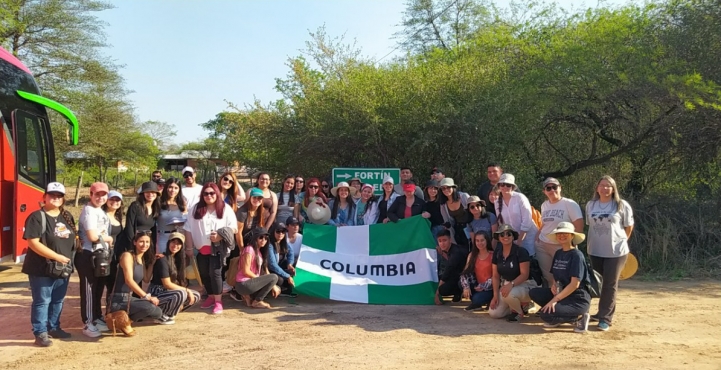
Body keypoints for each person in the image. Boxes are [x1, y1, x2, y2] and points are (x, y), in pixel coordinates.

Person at [22, 182, 76, 346]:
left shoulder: (67, 216)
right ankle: (40, 333)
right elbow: (33, 243)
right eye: (52, 195)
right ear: (44, 196)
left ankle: (54, 327)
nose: (55, 198)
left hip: (62, 268)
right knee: (42, 301)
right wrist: (56, 257)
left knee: (58, 300)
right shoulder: (37, 217)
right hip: (42, 268)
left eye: (59, 195)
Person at [586, 175, 634, 331]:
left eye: (608, 186)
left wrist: (622, 240)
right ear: (597, 188)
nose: (605, 188)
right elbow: (590, 225)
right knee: (598, 283)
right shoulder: (591, 205)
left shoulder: (621, 205)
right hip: (595, 250)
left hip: (616, 251)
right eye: (602, 185)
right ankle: (600, 312)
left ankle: (605, 318)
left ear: (613, 189)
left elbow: (629, 226)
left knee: (610, 284)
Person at [184, 182, 238, 315]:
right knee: (204, 274)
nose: (209, 196)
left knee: (215, 274)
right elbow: (188, 228)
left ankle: (219, 301)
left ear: (217, 194)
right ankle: (211, 296)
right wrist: (189, 247)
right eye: (206, 193)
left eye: (212, 193)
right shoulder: (196, 208)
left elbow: (234, 228)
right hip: (201, 249)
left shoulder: (225, 208)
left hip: (218, 249)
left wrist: (220, 235)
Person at [529, 222, 591, 333]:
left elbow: (574, 284)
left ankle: (578, 319)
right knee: (534, 293)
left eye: (565, 233)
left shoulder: (576, 255)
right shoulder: (558, 253)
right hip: (562, 294)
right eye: (559, 233)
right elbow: (555, 275)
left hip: (577, 299)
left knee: (545, 315)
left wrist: (554, 300)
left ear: (572, 236)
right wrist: (554, 284)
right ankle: (559, 314)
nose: (561, 236)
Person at [108, 231, 169, 330]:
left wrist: (152, 263)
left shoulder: (141, 259)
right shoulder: (127, 256)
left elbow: (146, 279)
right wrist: (146, 296)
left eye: (147, 242)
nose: (144, 245)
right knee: (150, 307)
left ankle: (125, 321)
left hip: (130, 298)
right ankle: (121, 321)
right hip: (119, 300)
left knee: (157, 312)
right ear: (134, 242)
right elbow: (129, 280)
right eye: (141, 241)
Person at [76, 182, 114, 338]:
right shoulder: (89, 211)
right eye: (97, 194)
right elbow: (92, 236)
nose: (100, 197)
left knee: (98, 289)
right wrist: (109, 239)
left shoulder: (100, 211)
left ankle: (97, 318)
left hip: (99, 255)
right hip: (88, 255)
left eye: (103, 194)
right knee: (89, 290)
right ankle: (88, 322)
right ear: (90, 194)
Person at [535, 177, 584, 286]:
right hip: (543, 245)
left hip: (562, 246)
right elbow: (545, 223)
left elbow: (579, 225)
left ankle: (565, 300)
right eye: (548, 188)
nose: (552, 190)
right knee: (548, 276)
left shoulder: (569, 204)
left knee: (565, 276)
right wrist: (537, 236)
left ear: (560, 188)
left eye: (554, 187)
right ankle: (551, 301)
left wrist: (572, 244)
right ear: (544, 191)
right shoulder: (544, 205)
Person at [489, 224, 539, 322]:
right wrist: (495, 296)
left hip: (526, 285)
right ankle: (519, 305)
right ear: (498, 237)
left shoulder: (521, 251)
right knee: (494, 313)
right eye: (502, 234)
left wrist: (511, 285)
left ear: (513, 237)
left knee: (509, 294)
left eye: (509, 234)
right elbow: (495, 276)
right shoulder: (497, 253)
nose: (505, 236)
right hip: (507, 285)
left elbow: (524, 275)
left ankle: (518, 312)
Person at [147, 232, 200, 320]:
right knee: (181, 293)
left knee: (196, 295)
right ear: (168, 243)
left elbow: (180, 282)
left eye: (179, 243)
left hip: (171, 291)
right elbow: (167, 284)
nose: (175, 245)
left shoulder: (179, 260)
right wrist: (187, 291)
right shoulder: (162, 259)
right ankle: (162, 315)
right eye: (173, 242)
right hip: (158, 291)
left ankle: (169, 311)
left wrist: (183, 298)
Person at [234, 227, 281, 308]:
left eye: (266, 238)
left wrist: (273, 285)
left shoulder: (259, 251)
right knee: (274, 277)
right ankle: (257, 301)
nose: (264, 240)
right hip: (243, 284)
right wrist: (259, 279)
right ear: (255, 238)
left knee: (277, 285)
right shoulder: (249, 249)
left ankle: (248, 297)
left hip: (248, 283)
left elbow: (266, 271)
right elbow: (246, 271)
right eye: (261, 237)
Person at [495, 173, 537, 256]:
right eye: (502, 184)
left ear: (513, 187)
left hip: (528, 239)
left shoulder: (520, 198)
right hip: (511, 240)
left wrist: (519, 241)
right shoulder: (496, 202)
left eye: (508, 185)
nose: (505, 187)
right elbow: (502, 224)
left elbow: (527, 220)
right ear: (499, 186)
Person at [116, 181, 160, 257]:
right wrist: (133, 244)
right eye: (147, 192)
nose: (150, 194)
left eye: (153, 192)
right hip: (134, 243)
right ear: (143, 193)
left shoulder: (156, 209)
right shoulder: (135, 206)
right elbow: (129, 227)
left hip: (146, 245)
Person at [460, 232, 494, 312]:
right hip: (476, 285)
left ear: (487, 241)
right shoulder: (472, 255)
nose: (480, 243)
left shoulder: (493, 255)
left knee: (477, 299)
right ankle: (477, 302)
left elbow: (496, 276)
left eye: (482, 240)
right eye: (477, 241)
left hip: (490, 287)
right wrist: (466, 287)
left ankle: (481, 301)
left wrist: (483, 286)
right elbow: (465, 273)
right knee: (460, 284)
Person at [435, 229, 468, 304]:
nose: (442, 244)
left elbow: (448, 271)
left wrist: (437, 294)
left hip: (466, 278)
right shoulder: (452, 249)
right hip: (459, 274)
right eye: (440, 241)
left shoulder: (456, 252)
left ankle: (459, 291)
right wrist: (442, 254)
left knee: (442, 289)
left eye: (444, 240)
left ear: (450, 240)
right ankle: (457, 293)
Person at [102, 190, 124, 294]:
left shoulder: (117, 218)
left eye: (118, 199)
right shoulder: (102, 216)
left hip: (114, 257)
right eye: (112, 199)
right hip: (104, 256)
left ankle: (110, 309)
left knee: (112, 286)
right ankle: (95, 310)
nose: (115, 201)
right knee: (99, 287)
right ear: (106, 200)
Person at [157, 177, 187, 255]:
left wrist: (181, 223)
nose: (173, 190)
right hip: (162, 237)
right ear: (166, 187)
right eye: (170, 187)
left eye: (176, 188)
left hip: (176, 238)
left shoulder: (182, 203)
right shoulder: (158, 202)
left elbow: (186, 219)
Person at [439, 178, 471, 248]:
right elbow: (448, 222)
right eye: (443, 188)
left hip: (470, 227)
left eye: (448, 187)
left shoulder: (464, 197)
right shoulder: (443, 205)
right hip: (457, 231)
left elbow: (474, 209)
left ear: (453, 187)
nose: (446, 190)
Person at [266, 222, 296, 297]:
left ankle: (284, 288)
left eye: (283, 232)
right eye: (278, 231)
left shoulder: (283, 242)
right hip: (268, 271)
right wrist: (287, 276)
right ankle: (279, 288)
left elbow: (291, 253)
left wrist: (290, 264)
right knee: (280, 279)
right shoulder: (270, 245)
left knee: (293, 269)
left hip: (278, 268)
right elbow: (272, 265)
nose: (281, 234)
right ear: (273, 232)